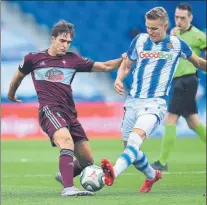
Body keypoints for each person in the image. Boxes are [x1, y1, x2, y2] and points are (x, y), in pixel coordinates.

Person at [7, 20, 125, 197]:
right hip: (49, 109)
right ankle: (68, 188)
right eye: (62, 40)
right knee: (66, 142)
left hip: (70, 113)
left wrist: (124, 59)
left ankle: (65, 175)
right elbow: (18, 77)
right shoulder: (33, 58)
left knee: (87, 161)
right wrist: (11, 95)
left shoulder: (73, 59)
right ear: (52, 38)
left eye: (68, 42)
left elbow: (106, 66)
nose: (65, 45)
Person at [100, 7, 206, 193]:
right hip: (132, 102)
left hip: (155, 104)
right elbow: (127, 64)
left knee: (135, 139)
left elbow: (198, 62)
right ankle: (152, 175)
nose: (150, 32)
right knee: (131, 150)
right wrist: (118, 79)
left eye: (155, 28)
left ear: (165, 26)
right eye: (148, 27)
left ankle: (113, 172)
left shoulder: (177, 44)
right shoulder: (140, 40)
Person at [151, 3, 207, 171]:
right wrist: (170, 39)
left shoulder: (199, 36)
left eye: (182, 18)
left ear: (190, 18)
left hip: (186, 81)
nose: (179, 20)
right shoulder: (173, 35)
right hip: (178, 81)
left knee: (170, 118)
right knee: (192, 121)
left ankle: (161, 162)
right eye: (176, 17)